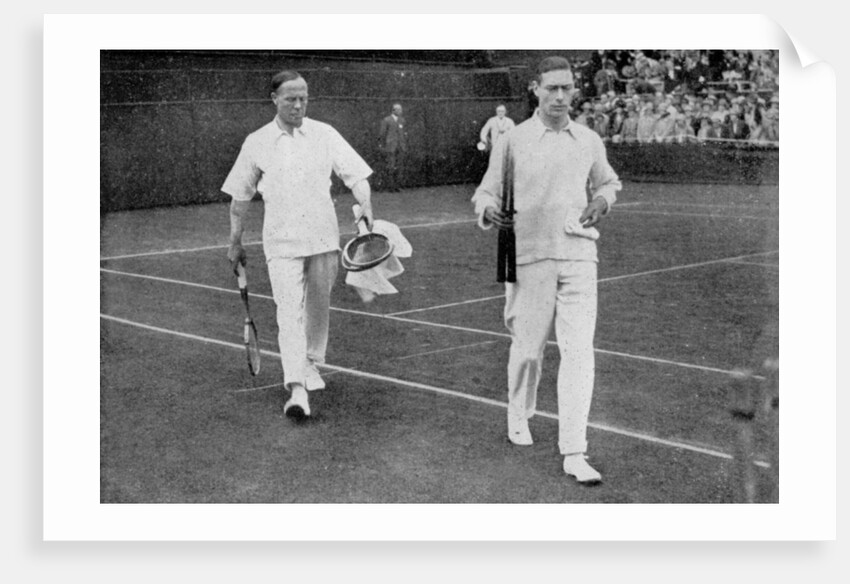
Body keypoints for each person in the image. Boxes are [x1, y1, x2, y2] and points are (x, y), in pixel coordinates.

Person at [471, 56, 622, 485]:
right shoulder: (514, 140)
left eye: (567, 89)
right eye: (552, 88)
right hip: (529, 256)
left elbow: (609, 182)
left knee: (579, 352)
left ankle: (575, 450)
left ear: (575, 91)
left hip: (578, 255)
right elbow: (485, 191)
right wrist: (488, 210)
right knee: (529, 349)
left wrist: (602, 201)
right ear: (536, 89)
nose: (559, 97)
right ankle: (519, 411)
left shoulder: (588, 140)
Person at [222, 70, 375, 421]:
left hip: (323, 238)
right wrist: (235, 241)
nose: (298, 104)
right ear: (274, 99)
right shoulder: (256, 141)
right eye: (290, 98)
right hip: (281, 242)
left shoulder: (325, 134)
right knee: (288, 312)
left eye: (303, 98)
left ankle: (309, 363)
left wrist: (365, 205)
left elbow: (357, 176)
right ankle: (296, 389)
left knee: (317, 308)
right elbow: (239, 198)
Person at [378, 103, 408, 192]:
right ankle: (390, 187)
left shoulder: (402, 120)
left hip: (400, 147)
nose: (401, 111)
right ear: (393, 110)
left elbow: (404, 134)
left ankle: (398, 186)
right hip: (391, 147)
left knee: (399, 167)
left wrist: (404, 144)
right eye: (399, 110)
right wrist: (382, 145)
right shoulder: (387, 120)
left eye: (401, 109)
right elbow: (382, 134)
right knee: (391, 167)